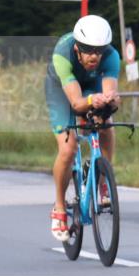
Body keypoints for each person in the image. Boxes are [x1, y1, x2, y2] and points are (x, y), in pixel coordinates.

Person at [43, 15, 121, 241]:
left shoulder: (111, 56)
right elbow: (76, 103)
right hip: (62, 91)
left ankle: (103, 182)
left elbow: (109, 92)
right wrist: (90, 102)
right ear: (77, 47)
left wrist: (111, 100)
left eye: (99, 50)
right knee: (68, 149)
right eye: (88, 50)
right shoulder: (63, 53)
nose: (94, 56)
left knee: (106, 124)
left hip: (91, 86)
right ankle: (59, 208)